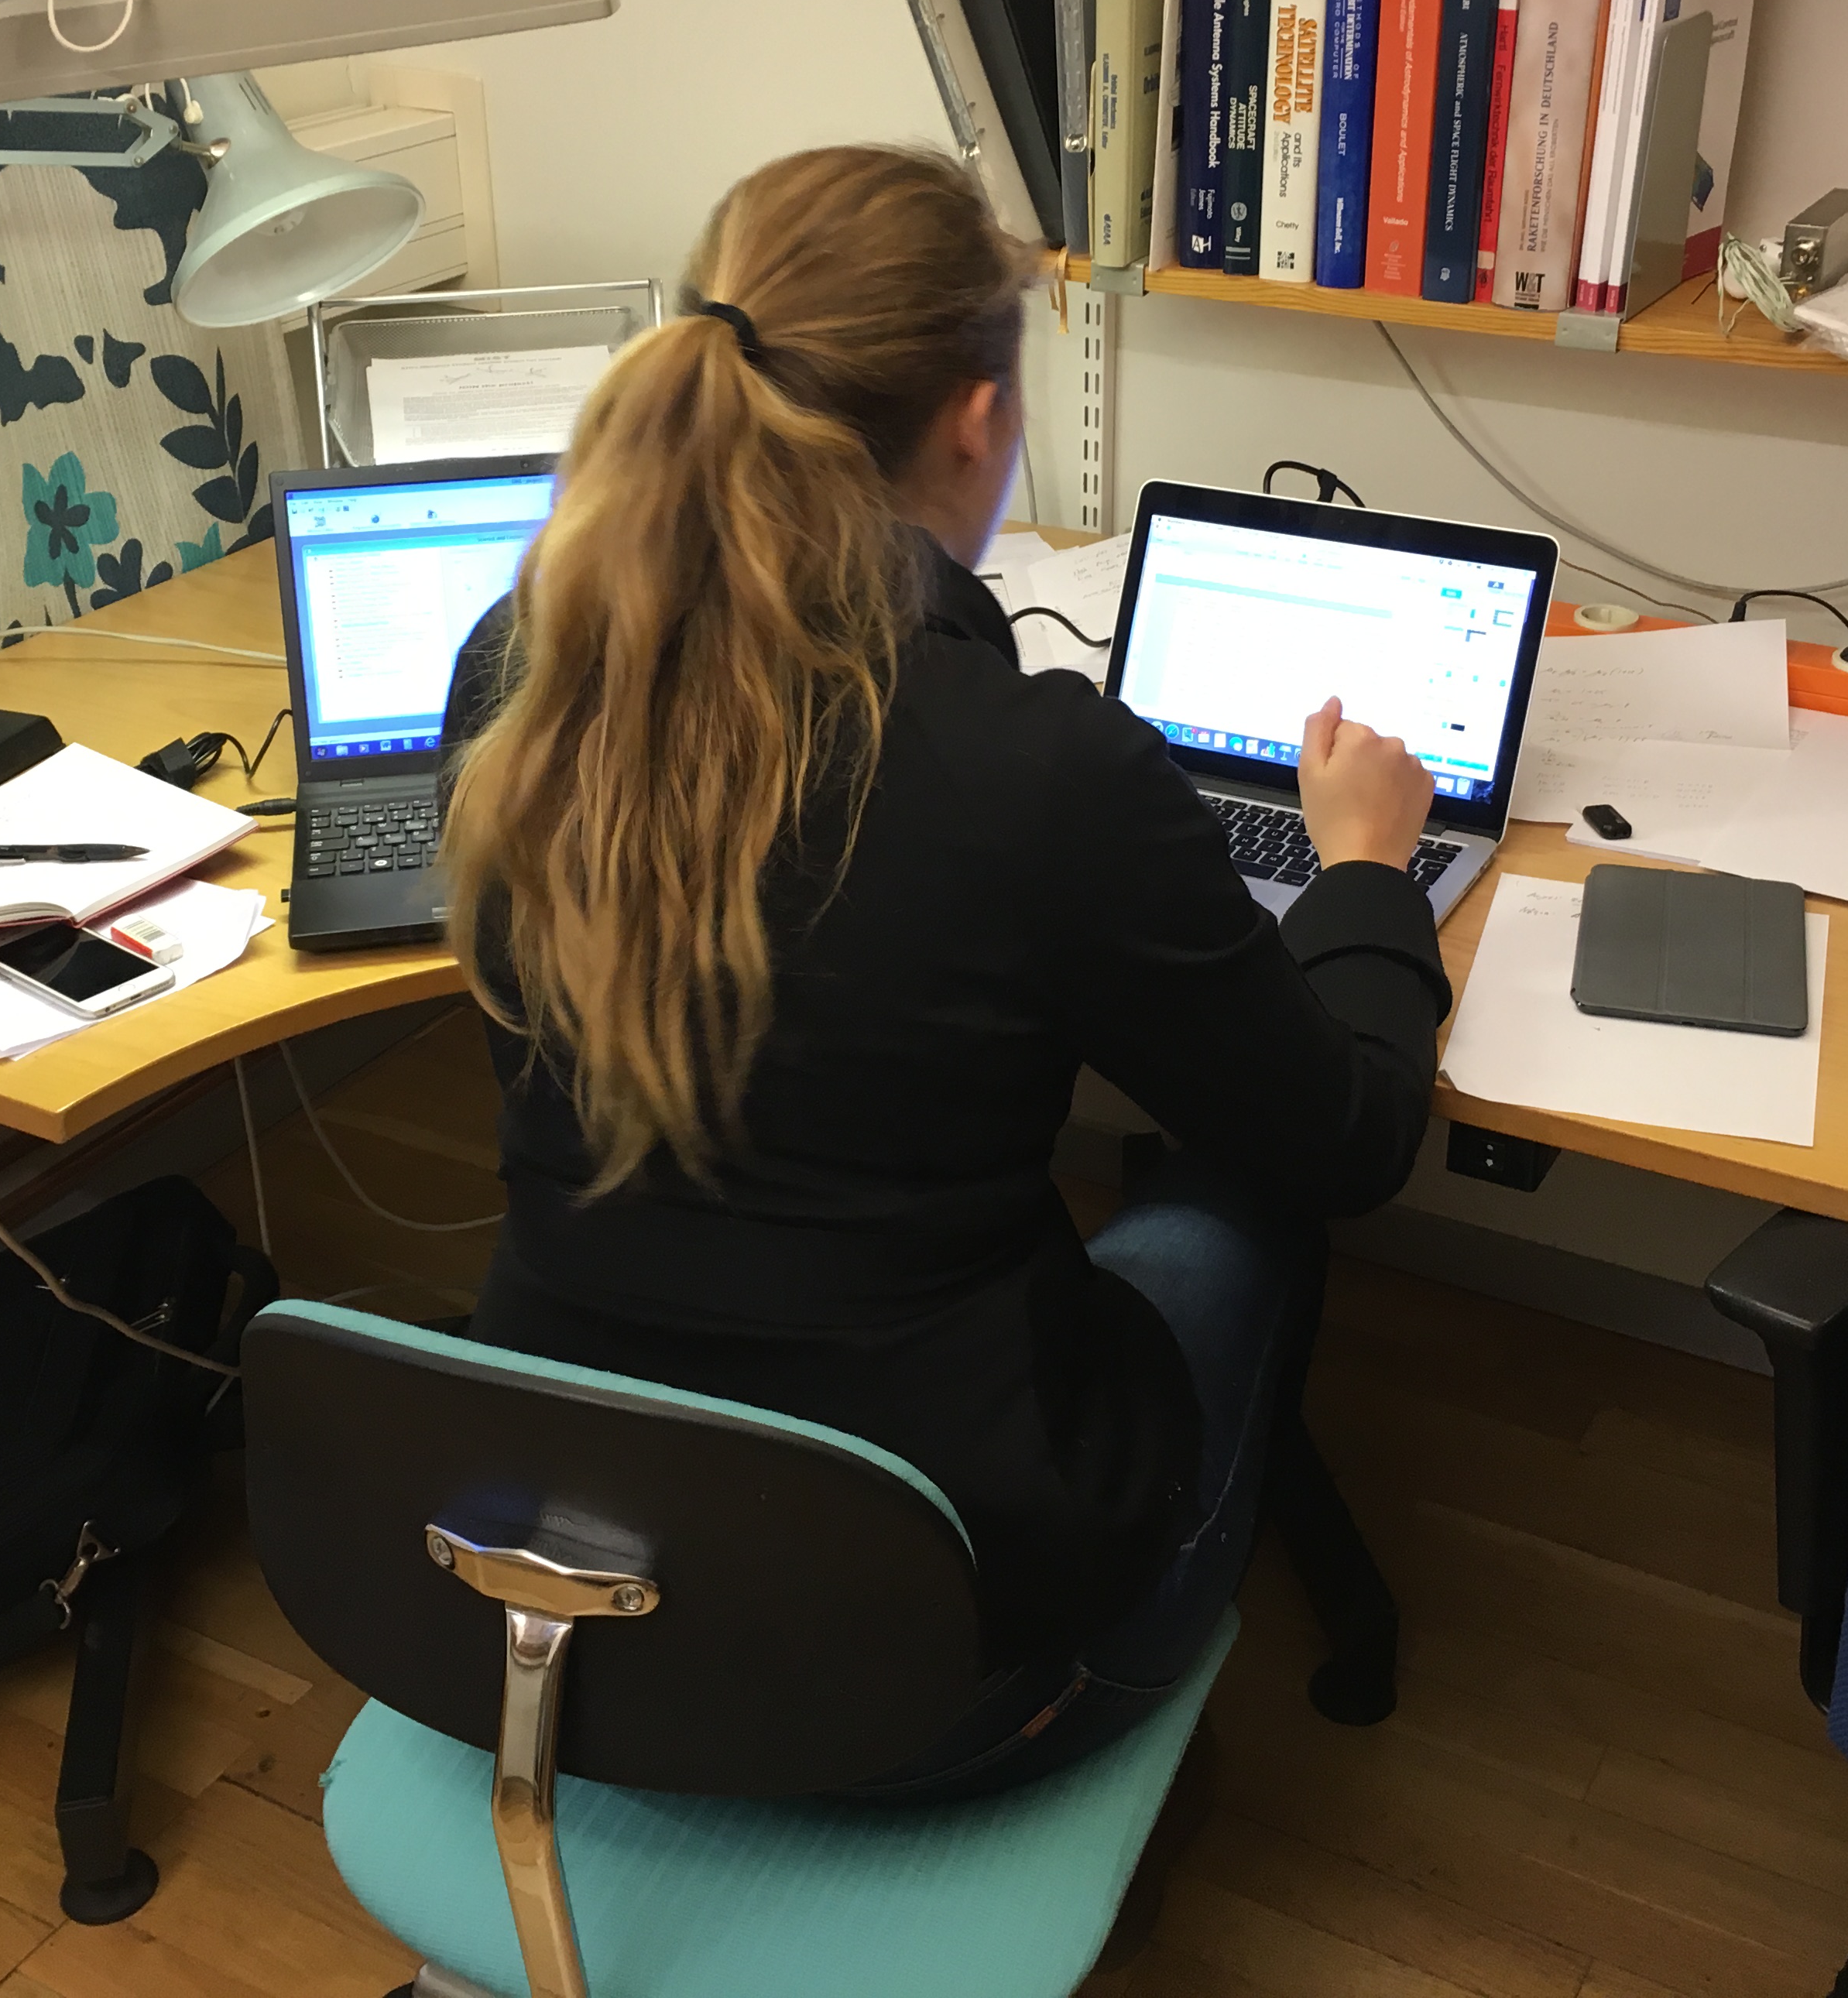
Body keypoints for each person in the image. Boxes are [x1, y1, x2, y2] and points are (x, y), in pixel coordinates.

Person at [437, 145, 1449, 1798]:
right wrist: (1361, 873)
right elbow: (1352, 1138)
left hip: (574, 1591)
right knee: (1233, 1198)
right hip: (943, 1679)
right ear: (978, 419)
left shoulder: (524, 675)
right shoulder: (1039, 767)